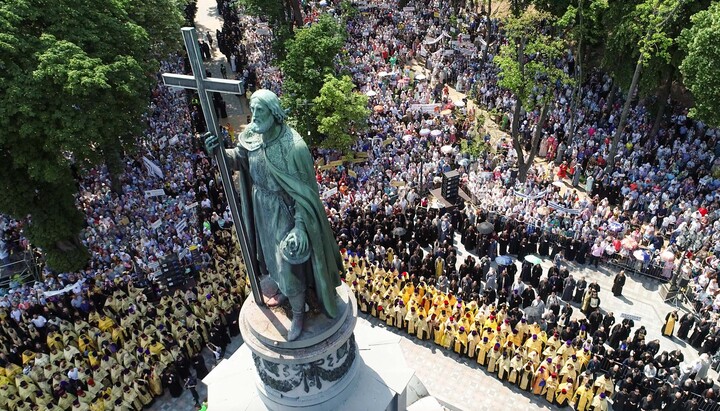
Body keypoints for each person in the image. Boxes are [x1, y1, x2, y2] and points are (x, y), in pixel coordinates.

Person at [206, 90, 344, 341]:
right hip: (261, 207)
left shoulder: (295, 146)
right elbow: (239, 160)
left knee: (288, 264)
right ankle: (284, 291)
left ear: (275, 112)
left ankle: (299, 314)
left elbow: (306, 194)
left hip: (286, 212)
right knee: (270, 259)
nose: (255, 115)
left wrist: (301, 227)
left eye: (261, 110)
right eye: (253, 109)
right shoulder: (251, 135)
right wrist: (218, 152)